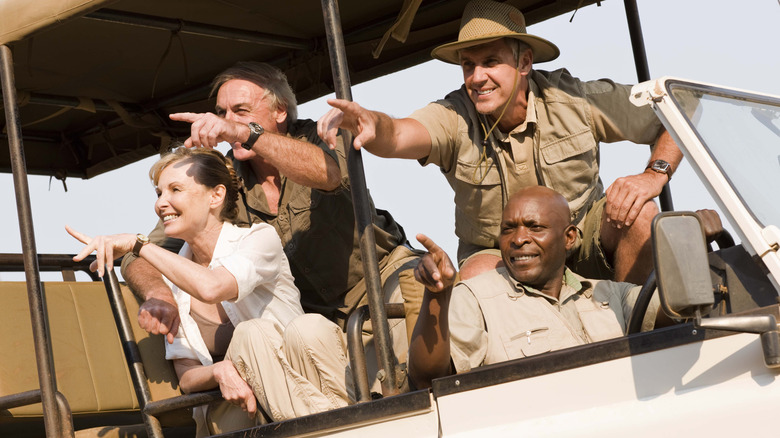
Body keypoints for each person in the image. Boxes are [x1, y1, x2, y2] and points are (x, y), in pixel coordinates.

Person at [318, 0, 683, 285]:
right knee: (476, 277)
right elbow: (398, 133)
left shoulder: (574, 100)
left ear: (524, 62)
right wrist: (371, 122)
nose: (477, 77)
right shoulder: (454, 116)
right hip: (502, 257)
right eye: (468, 65)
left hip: (579, 241)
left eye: (490, 61)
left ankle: (641, 341)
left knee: (643, 216)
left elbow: (679, 111)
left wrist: (654, 175)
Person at [121, 62, 423, 386]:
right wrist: (159, 295)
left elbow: (327, 173)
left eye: (241, 110)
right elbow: (141, 252)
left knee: (418, 372)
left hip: (382, 281)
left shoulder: (323, 135)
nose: (228, 122)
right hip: (316, 321)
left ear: (280, 112)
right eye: (223, 112)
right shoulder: (221, 181)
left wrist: (245, 134)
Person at [67, 147, 341, 434]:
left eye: (175, 189)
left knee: (306, 328)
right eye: (159, 193)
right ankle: (339, 427)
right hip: (236, 407)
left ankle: (328, 426)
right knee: (251, 335)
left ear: (216, 196)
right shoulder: (175, 278)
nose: (162, 203)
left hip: (303, 377)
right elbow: (186, 377)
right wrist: (220, 370)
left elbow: (212, 287)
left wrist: (138, 245)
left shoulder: (259, 239)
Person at [407, 186, 666, 389]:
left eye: (535, 228)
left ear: (569, 237)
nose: (519, 239)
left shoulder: (612, 295)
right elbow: (427, 379)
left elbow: (675, 310)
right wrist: (437, 294)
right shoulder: (476, 297)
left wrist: (692, 246)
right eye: (508, 229)